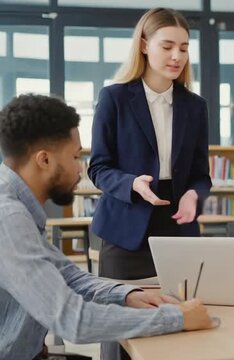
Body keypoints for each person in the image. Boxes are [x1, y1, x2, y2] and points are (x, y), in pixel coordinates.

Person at [0, 94, 213, 360]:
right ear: (44, 160)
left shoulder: (17, 206)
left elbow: (68, 275)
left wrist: (127, 295)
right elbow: (73, 320)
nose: (81, 169)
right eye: (76, 156)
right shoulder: (8, 218)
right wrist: (177, 318)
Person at [88, 7, 211, 280]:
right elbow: (98, 168)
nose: (177, 56)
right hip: (126, 227)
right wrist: (132, 183)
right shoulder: (114, 98)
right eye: (167, 47)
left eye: (183, 48)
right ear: (144, 45)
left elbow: (200, 175)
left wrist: (194, 195)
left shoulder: (195, 107)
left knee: (183, 315)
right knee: (123, 315)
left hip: (178, 227)